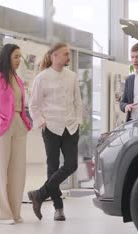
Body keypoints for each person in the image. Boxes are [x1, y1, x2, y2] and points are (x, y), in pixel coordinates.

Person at [27, 42, 82, 221]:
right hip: (50, 127)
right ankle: (59, 209)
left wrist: (79, 121)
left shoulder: (72, 76)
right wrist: (41, 122)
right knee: (52, 167)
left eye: (68, 54)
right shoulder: (42, 78)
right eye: (65, 54)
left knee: (71, 164)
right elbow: (33, 105)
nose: (68, 56)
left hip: (70, 127)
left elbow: (78, 102)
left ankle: (40, 194)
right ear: (54, 56)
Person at [0, 43, 32, 225]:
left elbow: (20, 104)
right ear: (7, 57)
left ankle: (15, 212)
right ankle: (3, 214)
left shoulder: (17, 80)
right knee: (0, 170)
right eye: (16, 56)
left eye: (20, 57)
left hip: (19, 125)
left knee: (18, 171)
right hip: (1, 126)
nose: (19, 60)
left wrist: (25, 123)